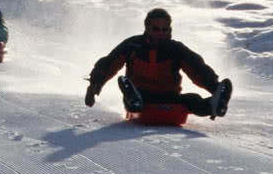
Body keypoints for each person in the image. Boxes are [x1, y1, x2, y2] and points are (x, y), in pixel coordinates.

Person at [83, 8, 230, 118]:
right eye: (156, 29)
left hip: (169, 96)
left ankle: (214, 104)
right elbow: (108, 64)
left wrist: (214, 87)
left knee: (192, 99)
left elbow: (198, 70)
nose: (161, 33)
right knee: (124, 82)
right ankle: (134, 102)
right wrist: (95, 85)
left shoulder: (175, 49)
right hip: (141, 95)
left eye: (165, 29)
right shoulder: (133, 45)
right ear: (147, 28)